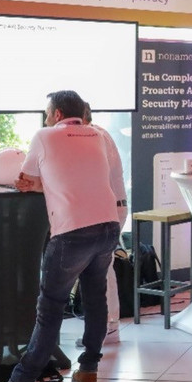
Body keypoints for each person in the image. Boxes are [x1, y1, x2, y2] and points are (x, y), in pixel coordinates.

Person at [0, 90, 125, 382]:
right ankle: (88, 369)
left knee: (50, 308)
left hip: (72, 231)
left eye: (47, 112)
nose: (46, 118)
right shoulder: (97, 136)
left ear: (57, 114)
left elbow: (26, 179)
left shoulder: (44, 136)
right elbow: (72, 174)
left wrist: (31, 181)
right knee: (95, 299)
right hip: (108, 226)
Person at [75, 102, 125, 347]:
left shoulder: (96, 136)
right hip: (108, 207)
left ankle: (109, 326)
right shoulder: (96, 134)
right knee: (103, 268)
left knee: (104, 269)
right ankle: (105, 325)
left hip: (110, 208)